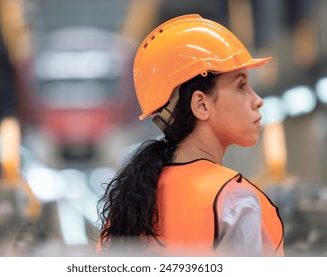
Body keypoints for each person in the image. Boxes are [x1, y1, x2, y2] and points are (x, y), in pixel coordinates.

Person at [97, 14, 284, 256]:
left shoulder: (129, 201)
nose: (257, 100)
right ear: (201, 105)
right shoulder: (233, 199)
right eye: (241, 86)